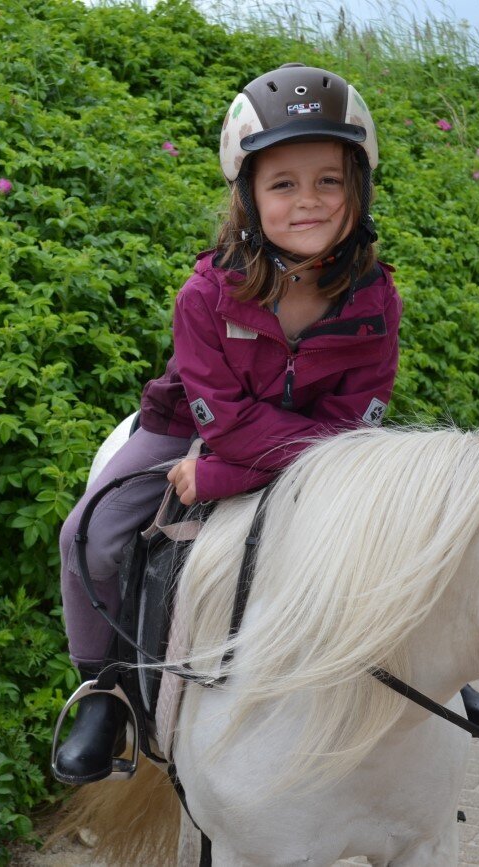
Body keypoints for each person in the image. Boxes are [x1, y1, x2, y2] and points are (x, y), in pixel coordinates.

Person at [51, 63, 407, 785]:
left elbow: (352, 428)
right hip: (188, 425)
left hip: (290, 449)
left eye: (328, 181)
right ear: (248, 194)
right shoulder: (205, 296)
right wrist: (223, 456)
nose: (308, 201)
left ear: (357, 191)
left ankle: (437, 665)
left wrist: (223, 477)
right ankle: (107, 690)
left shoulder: (376, 300)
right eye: (283, 184)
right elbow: (230, 420)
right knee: (90, 535)